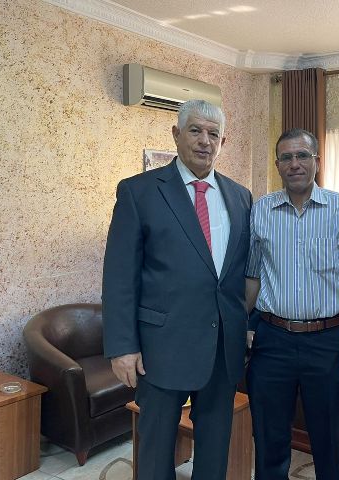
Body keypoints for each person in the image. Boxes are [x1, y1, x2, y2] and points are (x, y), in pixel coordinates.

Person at [102, 100, 252, 480]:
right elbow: (119, 276)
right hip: (161, 349)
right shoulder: (139, 192)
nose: (205, 141)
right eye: (195, 130)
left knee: (215, 452)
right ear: (176, 134)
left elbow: (240, 273)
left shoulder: (240, 197)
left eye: (214, 134)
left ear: (223, 142)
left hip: (222, 349)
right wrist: (122, 346)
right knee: (155, 454)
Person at [245, 128, 339, 480]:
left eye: (302, 155)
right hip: (272, 341)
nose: (295, 164)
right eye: (286, 157)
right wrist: (239, 327)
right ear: (277, 165)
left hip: (326, 342)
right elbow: (252, 277)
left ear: (316, 160)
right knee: (269, 441)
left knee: (329, 443)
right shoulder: (261, 211)